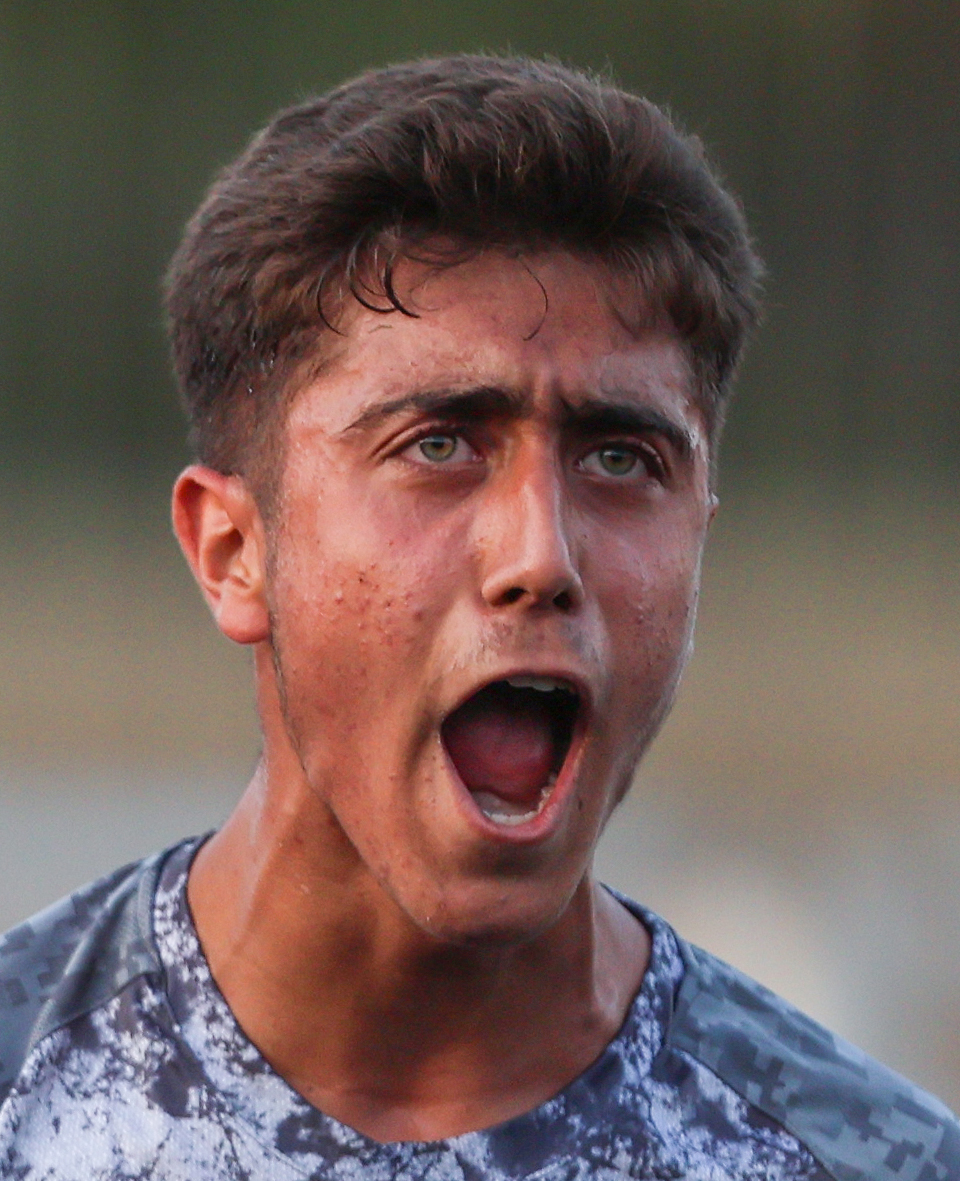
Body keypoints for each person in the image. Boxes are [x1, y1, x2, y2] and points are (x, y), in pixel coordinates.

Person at [0, 54, 956, 1181]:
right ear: (232, 552)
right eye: (439, 445)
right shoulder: (28, 1099)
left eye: (619, 458)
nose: (540, 556)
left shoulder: (860, 1158)